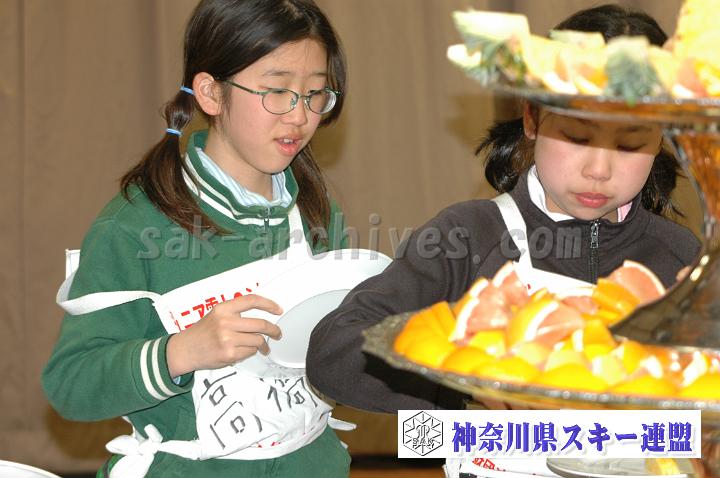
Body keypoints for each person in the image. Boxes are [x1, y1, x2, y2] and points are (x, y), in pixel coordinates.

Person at [306, 4, 700, 414]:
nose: (598, 170)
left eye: (630, 144)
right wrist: (466, 369)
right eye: (577, 137)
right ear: (533, 118)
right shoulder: (468, 237)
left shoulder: (680, 256)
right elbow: (335, 352)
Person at [42, 1, 351, 477]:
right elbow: (71, 384)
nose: (299, 116)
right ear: (210, 92)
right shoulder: (134, 225)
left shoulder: (314, 209)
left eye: (314, 94)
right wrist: (181, 352)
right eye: (277, 92)